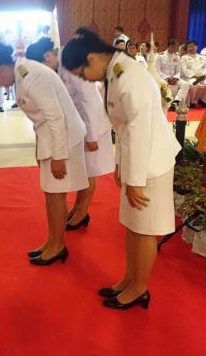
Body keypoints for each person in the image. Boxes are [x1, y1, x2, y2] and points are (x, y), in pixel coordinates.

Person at [62, 28, 181, 310]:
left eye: (81, 73)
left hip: (151, 163)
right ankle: (129, 279)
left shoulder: (129, 77)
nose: (84, 79)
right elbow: (124, 129)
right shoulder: (116, 72)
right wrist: (121, 164)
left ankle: (139, 289)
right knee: (132, 226)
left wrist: (135, 179)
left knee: (145, 229)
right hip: (137, 160)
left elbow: (140, 131)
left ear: (92, 58)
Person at [0, 44, 89, 266]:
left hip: (64, 138)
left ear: (2, 68)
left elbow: (55, 117)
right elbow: (40, 120)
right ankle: (52, 242)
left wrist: (58, 156)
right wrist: (40, 150)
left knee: (56, 194)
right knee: (50, 194)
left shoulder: (31, 75)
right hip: (52, 138)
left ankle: (58, 246)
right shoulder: (23, 74)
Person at [26, 37, 114, 230]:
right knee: (83, 170)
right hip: (79, 125)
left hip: (92, 125)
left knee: (89, 171)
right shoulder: (60, 65)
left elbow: (89, 100)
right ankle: (77, 208)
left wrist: (91, 135)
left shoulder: (72, 60)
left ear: (47, 57)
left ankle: (82, 212)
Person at [155, 39, 189, 109]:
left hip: (174, 78)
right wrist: (167, 78)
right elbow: (157, 70)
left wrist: (176, 78)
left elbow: (178, 70)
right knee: (168, 85)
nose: (177, 48)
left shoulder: (177, 57)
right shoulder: (160, 56)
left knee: (185, 84)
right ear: (170, 46)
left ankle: (176, 102)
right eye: (176, 46)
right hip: (163, 78)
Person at [181, 40, 206, 107]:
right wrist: (194, 76)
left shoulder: (202, 57)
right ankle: (193, 102)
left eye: (192, 46)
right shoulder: (184, 57)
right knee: (196, 84)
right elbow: (184, 69)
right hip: (190, 77)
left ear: (196, 47)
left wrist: (203, 75)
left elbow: (205, 67)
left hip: (202, 77)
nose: (190, 48)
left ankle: (204, 100)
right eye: (189, 47)